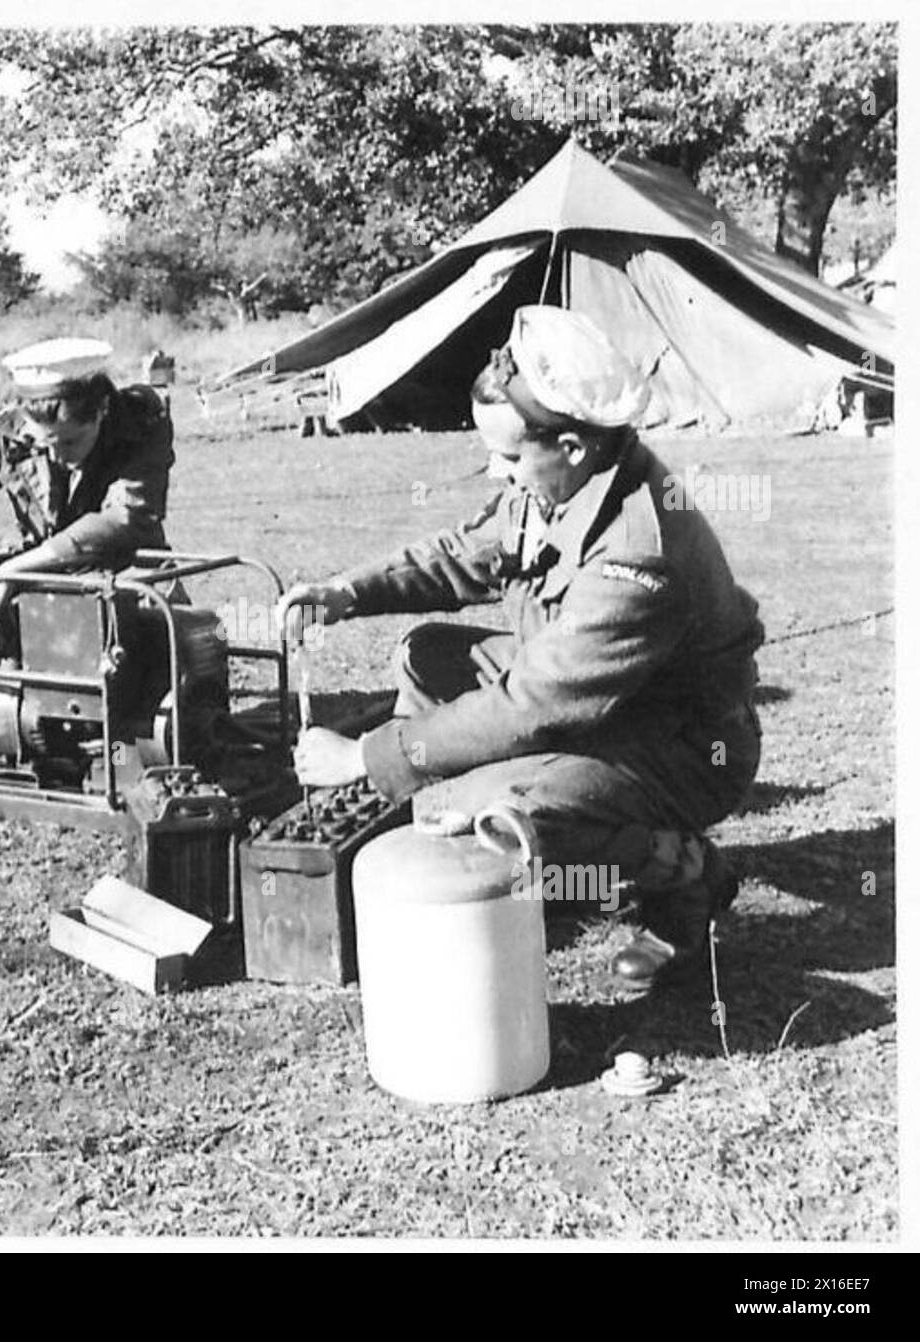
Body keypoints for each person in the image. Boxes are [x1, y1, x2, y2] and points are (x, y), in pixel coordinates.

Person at [278, 305, 763, 990]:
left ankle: (685, 877)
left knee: (498, 802)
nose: (495, 471)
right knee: (431, 656)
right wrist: (347, 592)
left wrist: (364, 756)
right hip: (608, 703)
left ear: (571, 445)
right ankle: (518, 862)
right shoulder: (568, 480)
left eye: (508, 456)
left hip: (683, 748)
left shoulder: (639, 553)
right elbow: (465, 554)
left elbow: (533, 706)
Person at [0, 336, 175, 658]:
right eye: (44, 445)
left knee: (143, 623)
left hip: (121, 570)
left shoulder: (142, 420)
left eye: (69, 443)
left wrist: (10, 575)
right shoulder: (7, 436)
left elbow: (126, 519)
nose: (56, 457)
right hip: (36, 577)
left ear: (102, 410)